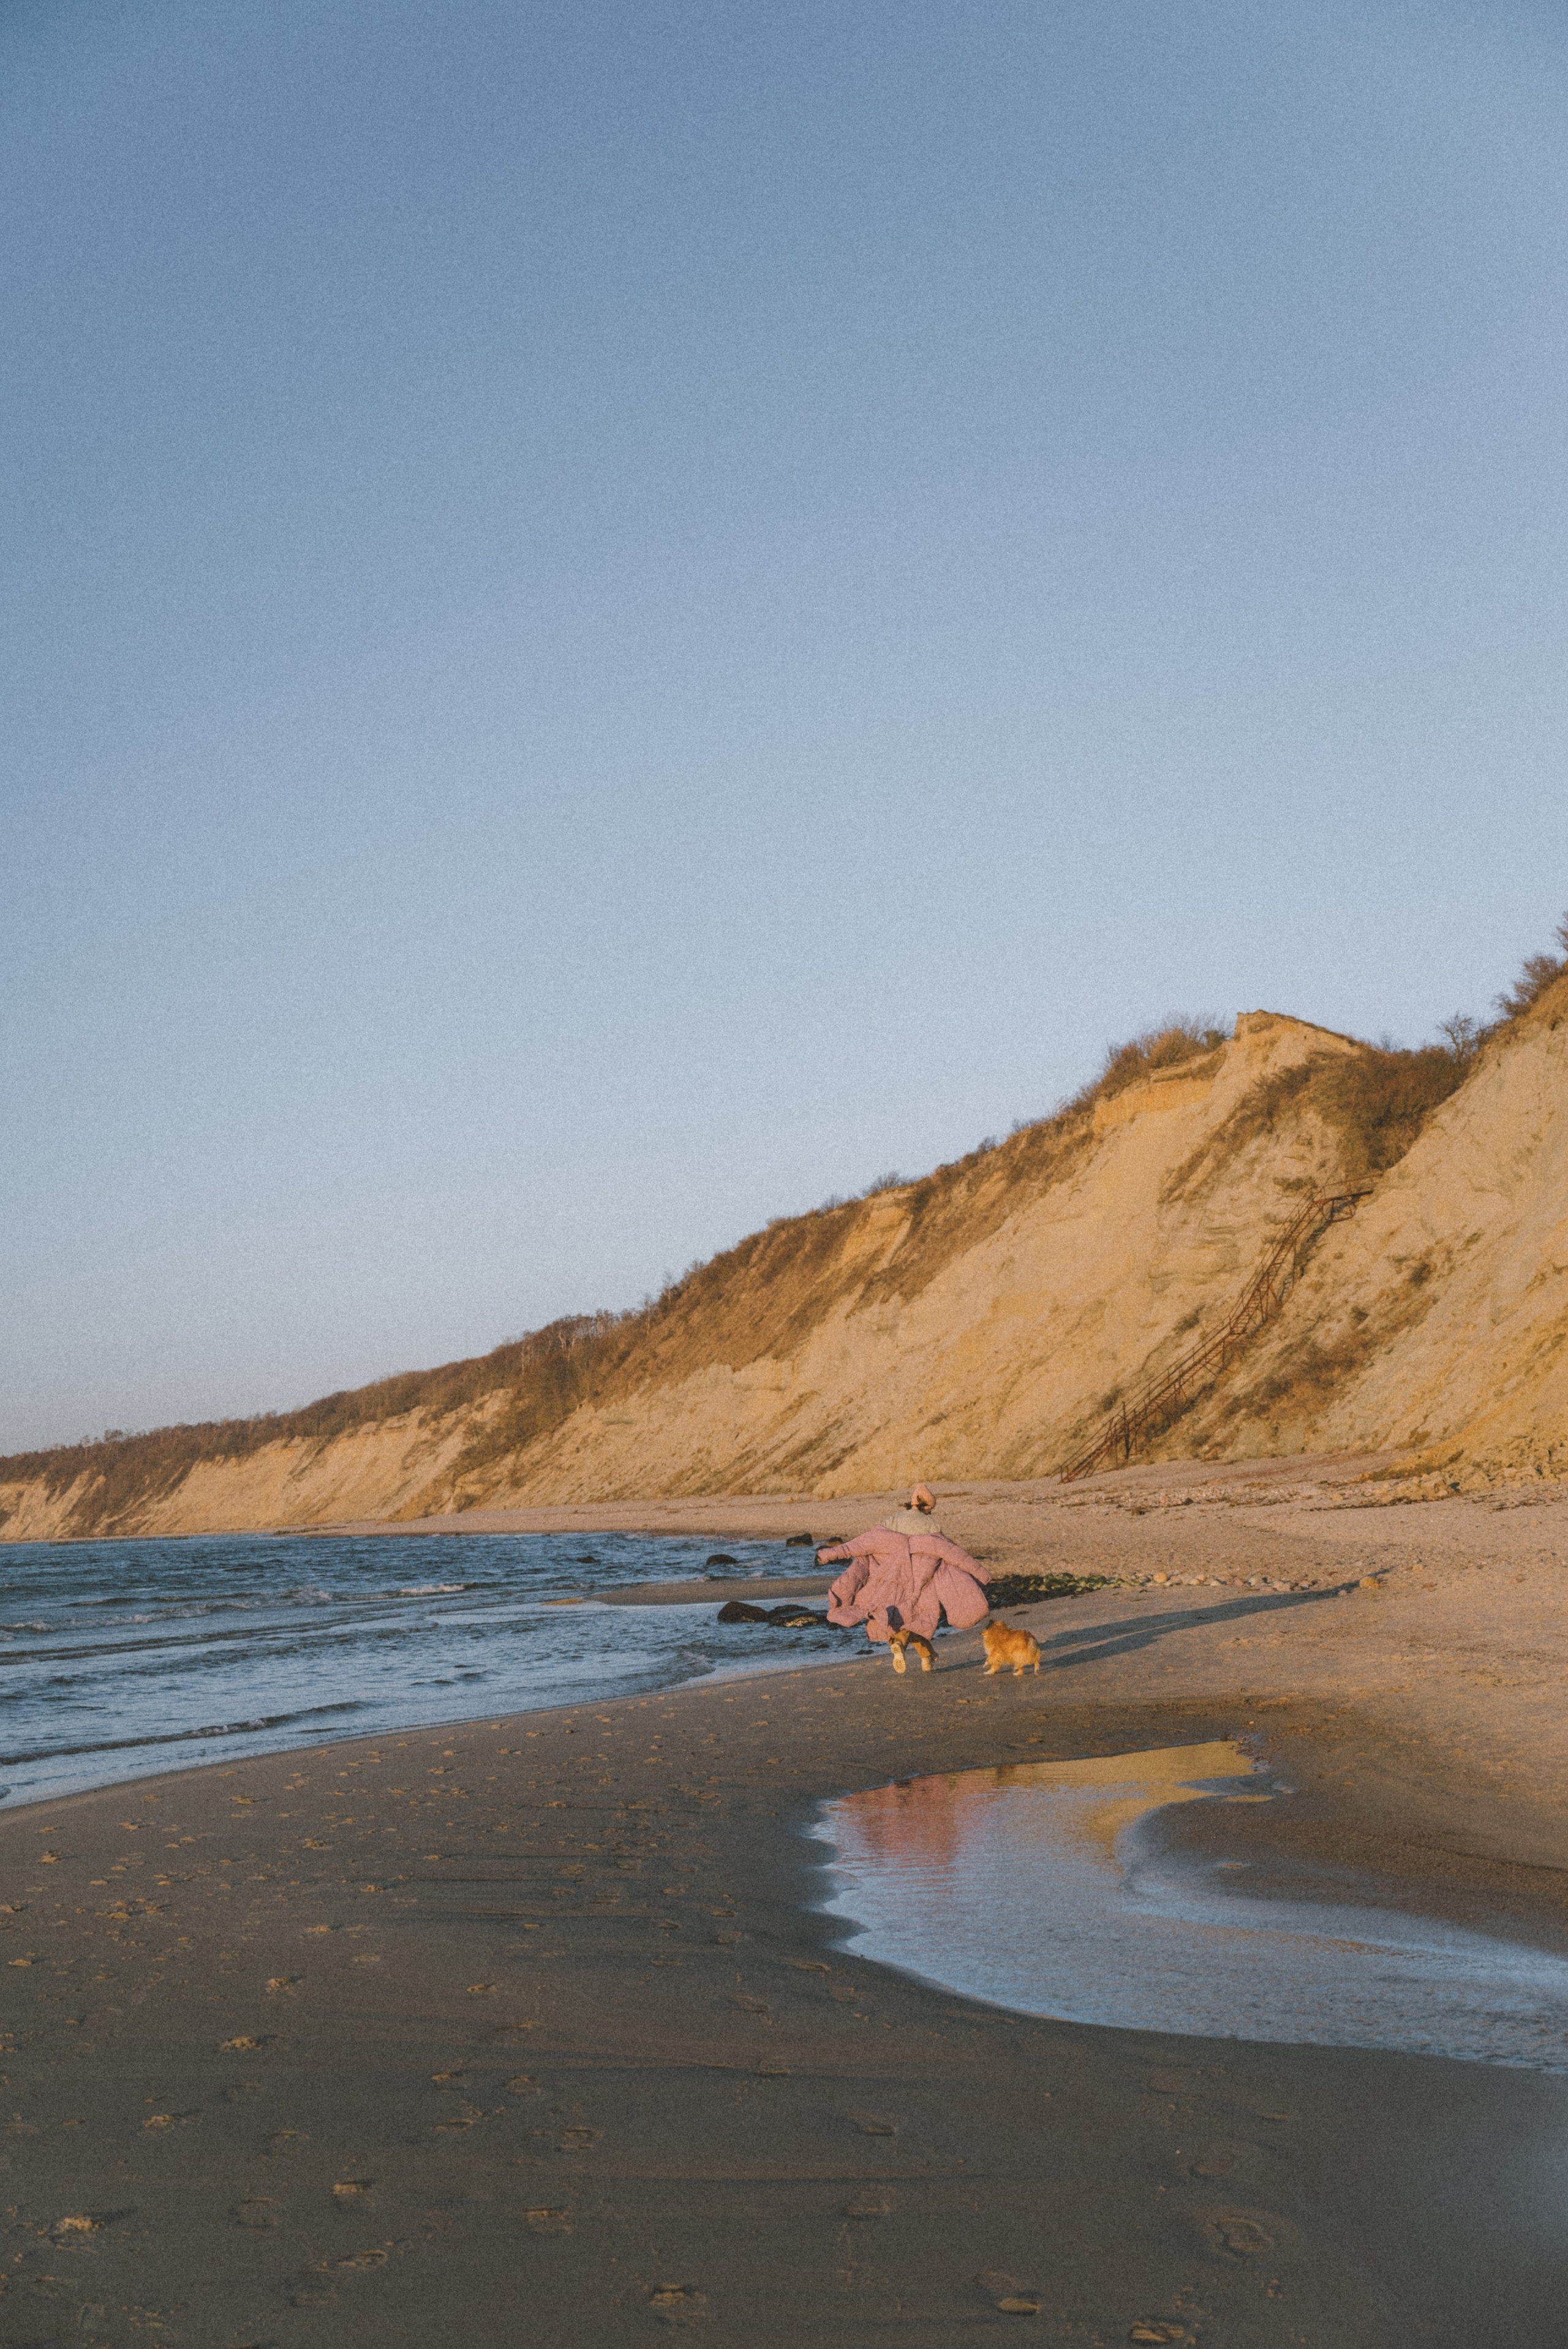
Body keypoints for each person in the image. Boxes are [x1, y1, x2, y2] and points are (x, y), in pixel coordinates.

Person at [816, 1496, 989, 1651]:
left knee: (888, 1616)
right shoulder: (931, 1529)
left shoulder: (890, 1524)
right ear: (927, 1506)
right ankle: (912, 1649)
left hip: (887, 1584)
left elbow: (854, 1547)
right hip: (920, 1585)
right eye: (931, 1507)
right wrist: (982, 1575)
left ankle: (900, 1645)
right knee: (923, 1619)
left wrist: (825, 1555)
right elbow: (958, 1556)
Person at [880, 1482, 946, 1536]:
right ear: (926, 1506)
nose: (930, 1512)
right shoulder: (932, 1524)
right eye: (931, 1508)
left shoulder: (892, 1520)